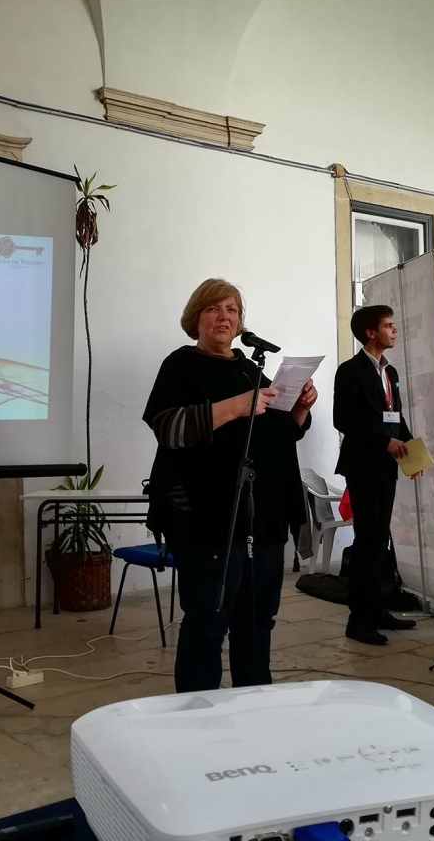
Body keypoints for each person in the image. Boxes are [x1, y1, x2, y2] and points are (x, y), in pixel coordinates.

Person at [143, 278, 317, 692]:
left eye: (232, 310)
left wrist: (298, 410)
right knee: (208, 619)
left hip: (263, 516)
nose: (224, 317)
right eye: (213, 309)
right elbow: (168, 428)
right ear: (196, 318)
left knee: (257, 621)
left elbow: (277, 436)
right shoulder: (180, 364)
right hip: (207, 518)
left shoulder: (249, 369)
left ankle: (253, 701)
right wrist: (235, 406)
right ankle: (197, 709)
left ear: (240, 322)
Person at [333, 305, 419, 645]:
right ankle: (359, 618)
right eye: (388, 325)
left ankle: (376, 608)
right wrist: (384, 441)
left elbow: (395, 416)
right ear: (370, 332)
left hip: (386, 464)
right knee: (367, 540)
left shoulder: (390, 371)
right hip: (364, 464)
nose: (394, 330)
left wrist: (412, 451)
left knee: (380, 538)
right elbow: (344, 419)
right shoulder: (350, 370)